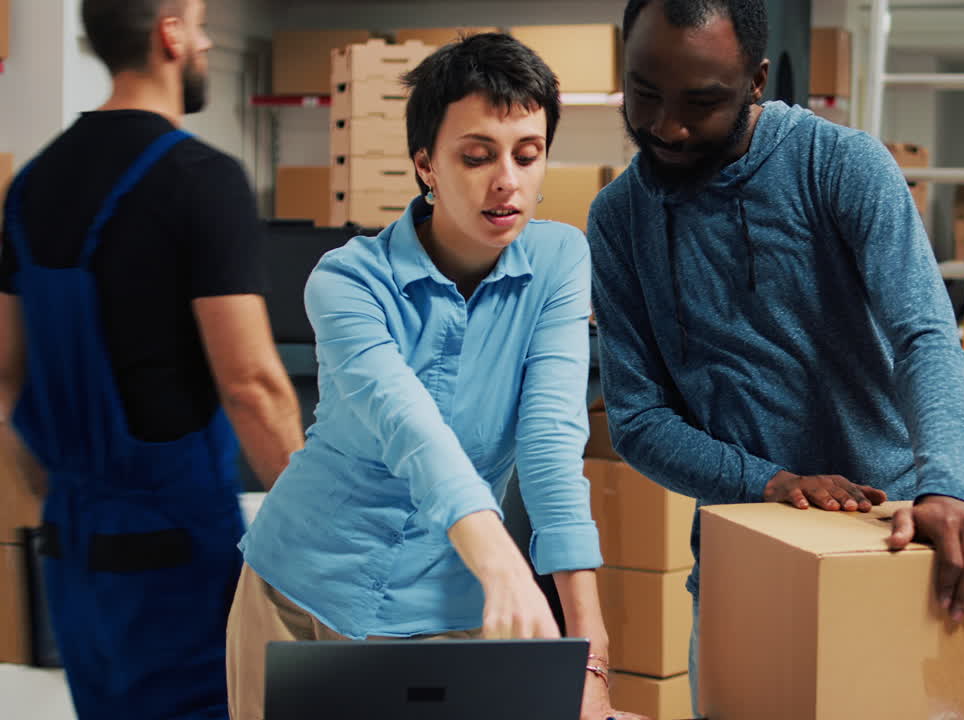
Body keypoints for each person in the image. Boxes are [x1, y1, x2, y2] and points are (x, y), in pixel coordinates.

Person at [588, 0, 964, 712]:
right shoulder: (618, 220)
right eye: (645, 95)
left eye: (701, 103)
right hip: (739, 573)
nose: (667, 127)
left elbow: (924, 334)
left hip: (889, 557)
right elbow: (638, 421)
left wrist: (949, 486)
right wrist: (771, 482)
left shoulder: (839, 166)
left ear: (756, 81)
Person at [225, 33, 640, 720]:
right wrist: (502, 556)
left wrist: (586, 641)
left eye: (527, 155)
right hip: (299, 592)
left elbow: (548, 443)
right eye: (477, 156)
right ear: (426, 165)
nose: (506, 180)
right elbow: (406, 424)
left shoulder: (561, 261)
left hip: (452, 607)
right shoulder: (349, 280)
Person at [0, 1, 305, 718]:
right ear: (170, 33)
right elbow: (253, 385)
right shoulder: (201, 179)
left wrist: (66, 493)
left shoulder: (29, 187)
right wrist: (321, 536)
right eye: (199, 24)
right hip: (176, 554)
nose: (203, 41)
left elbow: (7, 374)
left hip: (71, 551)